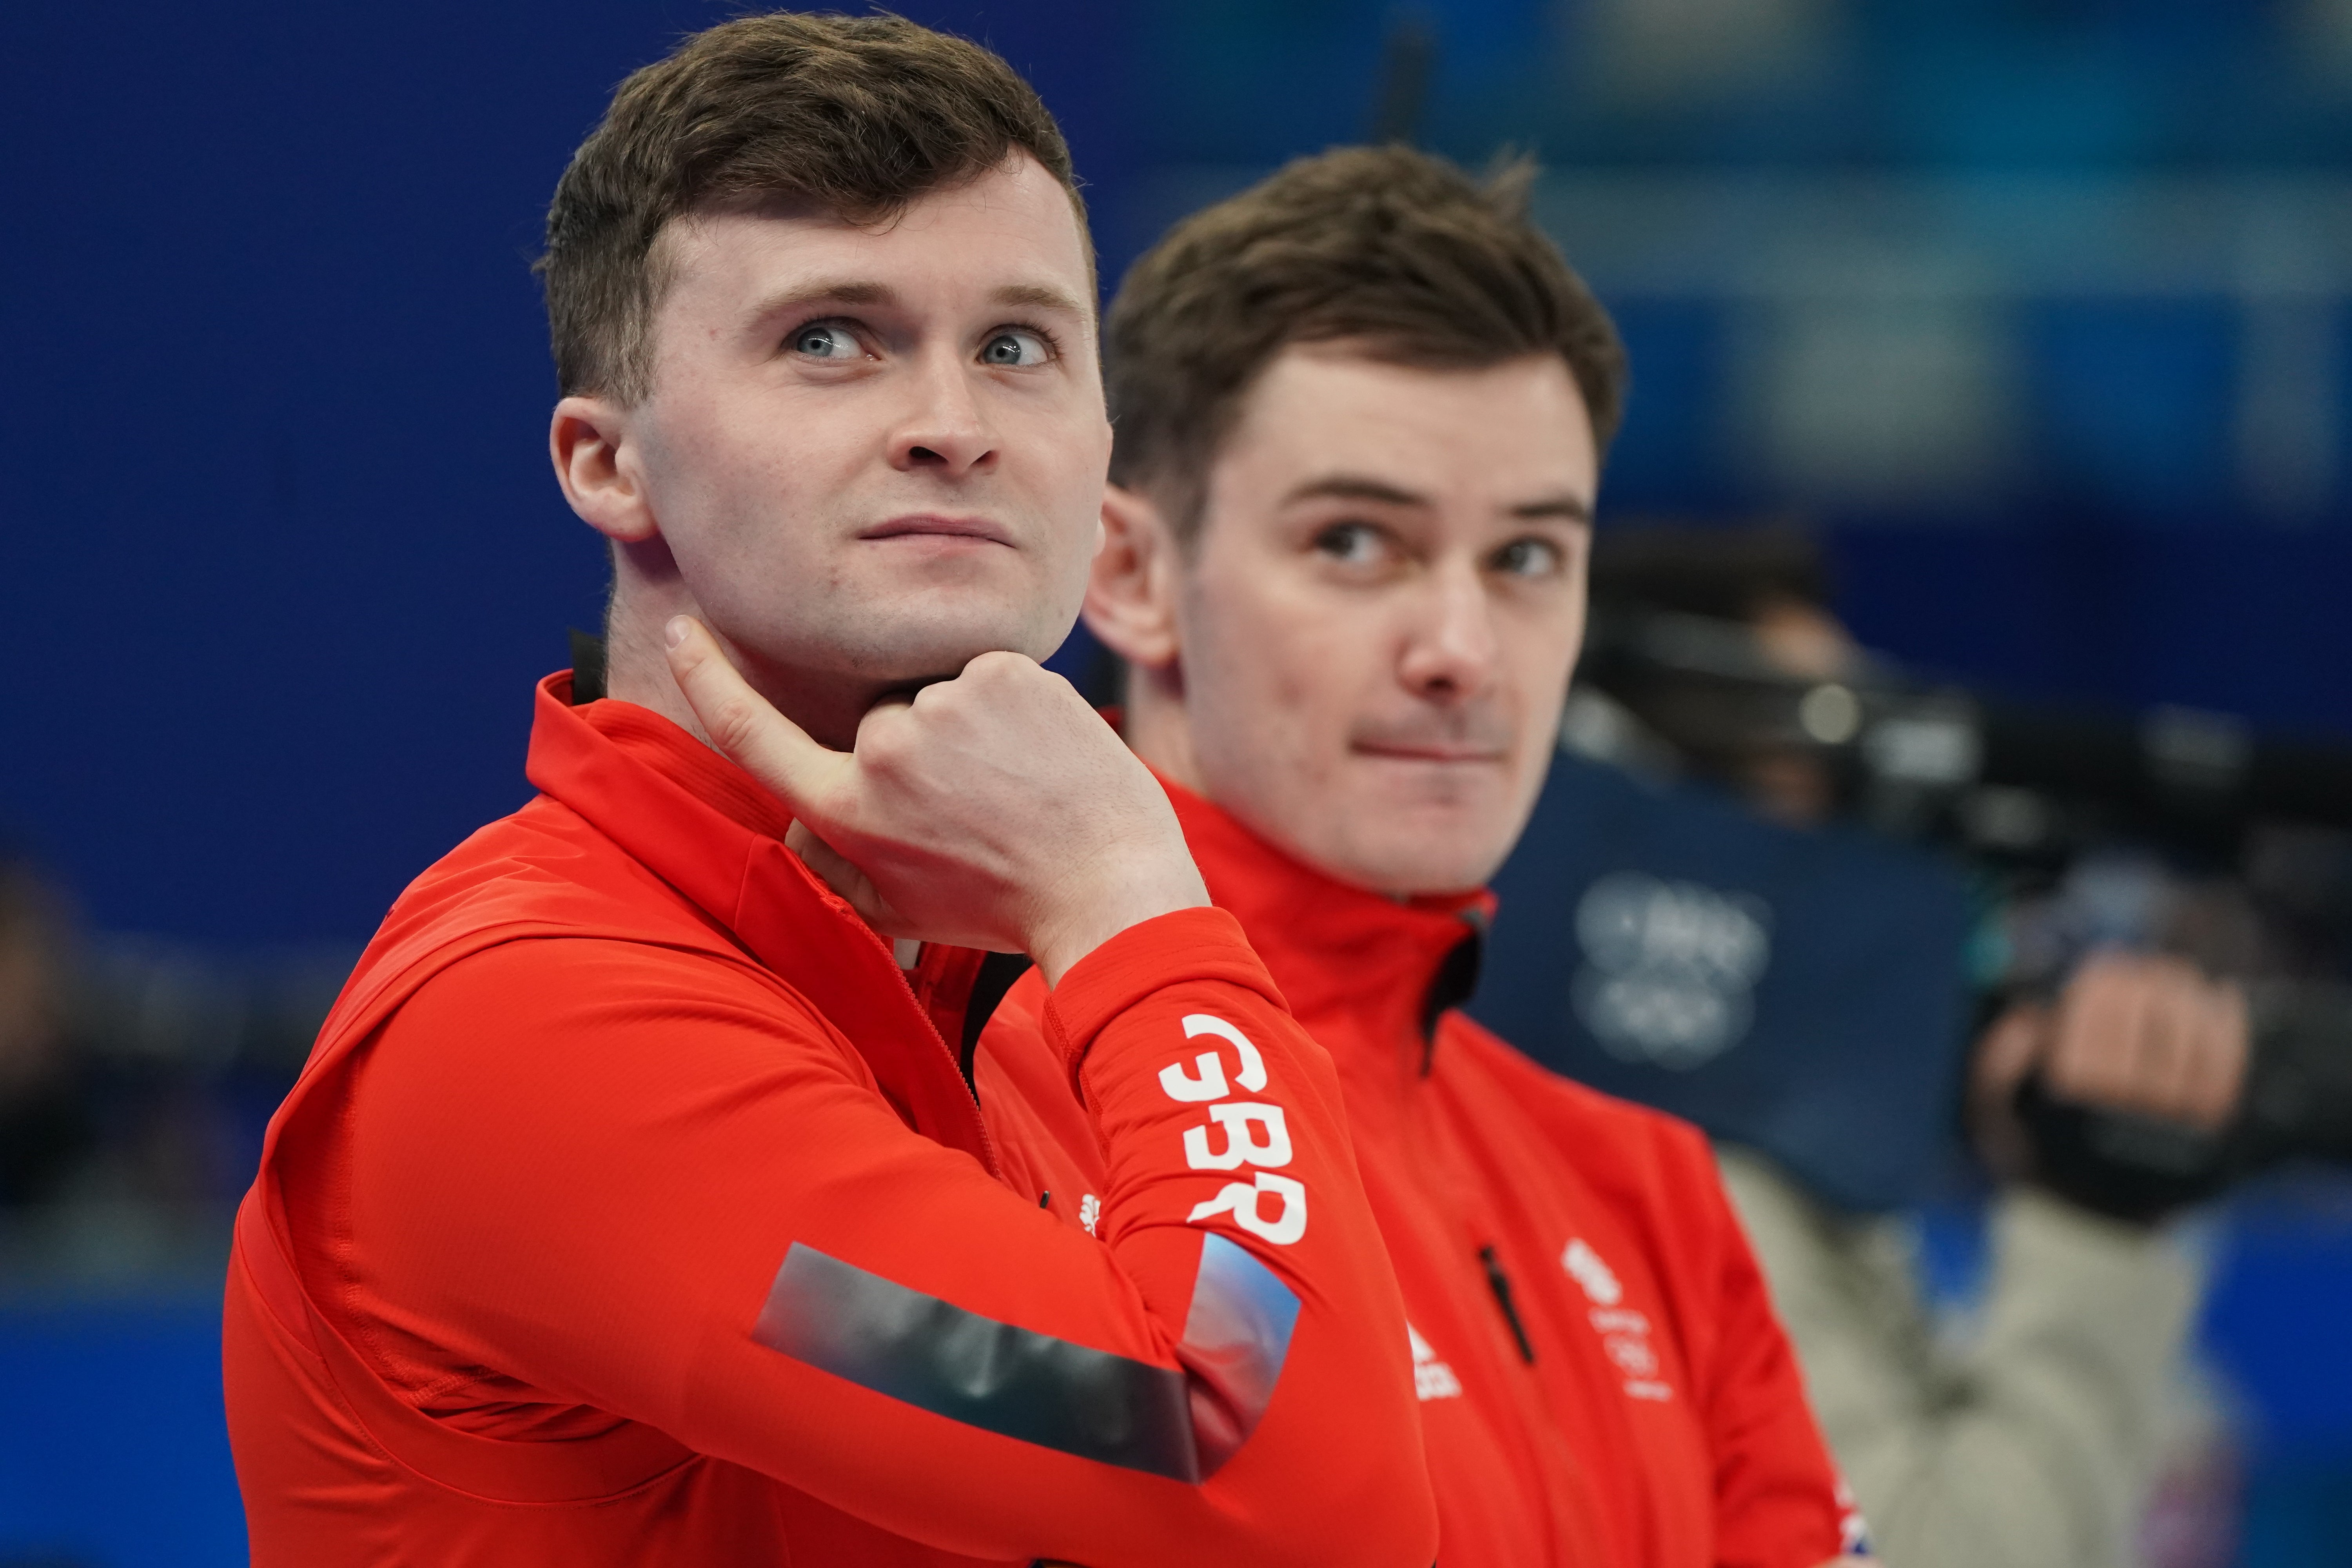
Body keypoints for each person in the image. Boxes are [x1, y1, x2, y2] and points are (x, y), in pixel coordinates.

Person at [221, 16, 1437, 1566]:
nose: (955, 422)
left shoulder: (1048, 989)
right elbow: (1282, 1497)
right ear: (609, 466)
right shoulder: (537, 1030)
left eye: (1017, 345)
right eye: (830, 337)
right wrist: (1137, 895)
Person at [975, 145, 1874, 1567]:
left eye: (1526, 559)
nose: (1464, 654)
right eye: (1356, 542)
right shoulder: (963, 1096)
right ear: (1131, 574)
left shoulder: (1653, 1191)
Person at [1569, 533, 2252, 1568]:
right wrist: (2097, 1232)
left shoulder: (1774, 1164)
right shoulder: (1675, 1188)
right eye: (1826, 779)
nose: (1884, 838)